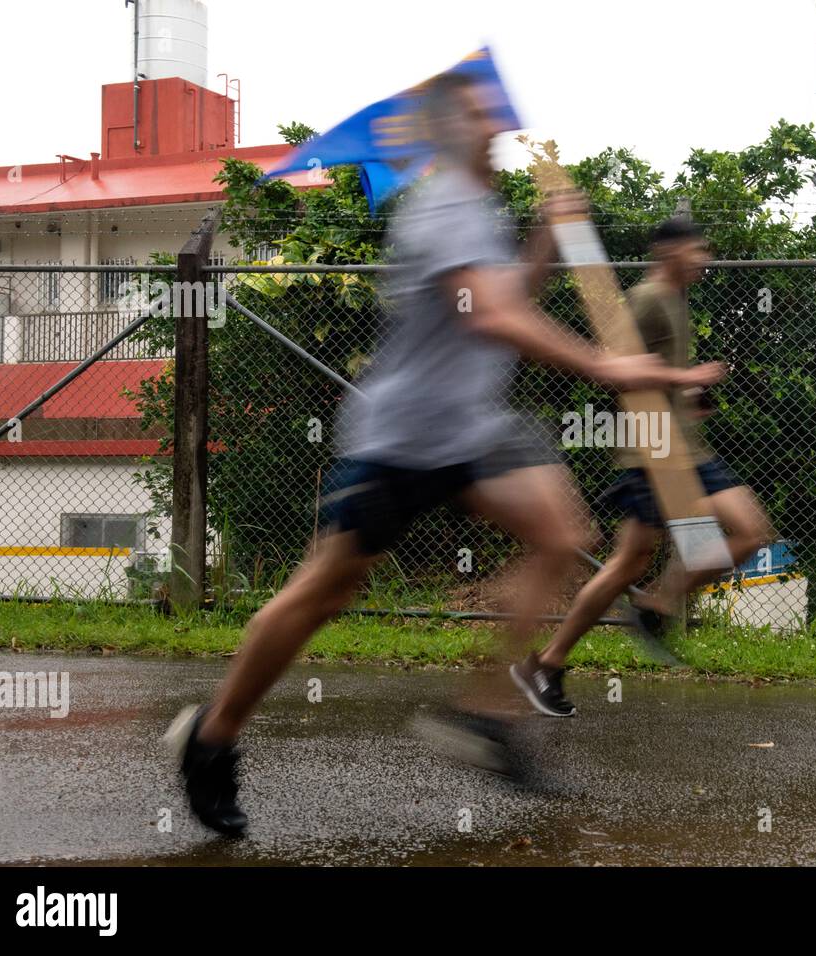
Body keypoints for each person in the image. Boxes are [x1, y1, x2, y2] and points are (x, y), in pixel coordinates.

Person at [165, 72, 720, 836]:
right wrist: (607, 366)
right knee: (326, 591)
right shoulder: (444, 209)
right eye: (475, 114)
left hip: (471, 429)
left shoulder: (478, 209)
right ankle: (214, 734)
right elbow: (493, 316)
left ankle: (485, 715)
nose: (494, 121)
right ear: (447, 134)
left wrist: (542, 239)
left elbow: (504, 297)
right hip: (404, 434)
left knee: (561, 533)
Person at [510, 218, 773, 717]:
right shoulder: (648, 297)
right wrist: (684, 375)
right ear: (670, 251)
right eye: (697, 250)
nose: (705, 260)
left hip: (687, 449)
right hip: (653, 453)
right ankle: (552, 660)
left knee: (748, 531)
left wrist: (690, 393)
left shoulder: (675, 299)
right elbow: (615, 367)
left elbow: (655, 373)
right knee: (630, 563)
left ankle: (652, 606)